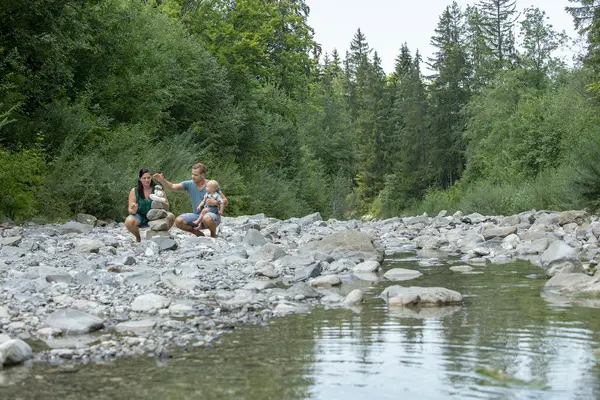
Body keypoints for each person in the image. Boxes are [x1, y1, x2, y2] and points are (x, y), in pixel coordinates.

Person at [153, 163, 227, 237]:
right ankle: (197, 233)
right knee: (178, 221)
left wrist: (216, 202)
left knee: (206, 218)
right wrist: (162, 180)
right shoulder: (189, 184)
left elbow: (225, 201)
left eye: (195, 175)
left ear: (203, 175)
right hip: (197, 216)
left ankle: (213, 234)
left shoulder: (211, 185)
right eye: (192, 174)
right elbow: (172, 186)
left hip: (212, 216)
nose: (193, 177)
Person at [125, 168, 175, 242]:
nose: (146, 180)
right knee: (129, 221)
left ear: (151, 177)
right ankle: (138, 238)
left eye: (148, 177)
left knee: (171, 216)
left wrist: (161, 201)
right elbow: (130, 209)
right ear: (140, 179)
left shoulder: (158, 189)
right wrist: (134, 210)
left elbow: (167, 207)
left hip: (156, 216)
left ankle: (160, 234)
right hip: (141, 217)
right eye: (144, 178)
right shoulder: (134, 190)